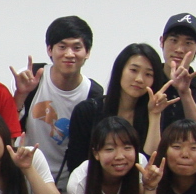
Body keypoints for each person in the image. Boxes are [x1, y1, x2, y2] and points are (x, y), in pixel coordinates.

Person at [14, 14, 98, 178]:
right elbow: (8, 127)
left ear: (87, 52)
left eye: (77, 48)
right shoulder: (31, 77)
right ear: (49, 49)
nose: (69, 54)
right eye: (62, 47)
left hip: (69, 182)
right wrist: (21, 94)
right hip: (26, 175)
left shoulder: (93, 94)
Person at [65, 43, 169, 171]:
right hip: (92, 181)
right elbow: (76, 164)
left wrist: (154, 115)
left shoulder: (154, 113)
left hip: (137, 183)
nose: (139, 79)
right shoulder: (88, 111)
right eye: (134, 70)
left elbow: (151, 165)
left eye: (148, 74)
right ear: (120, 70)